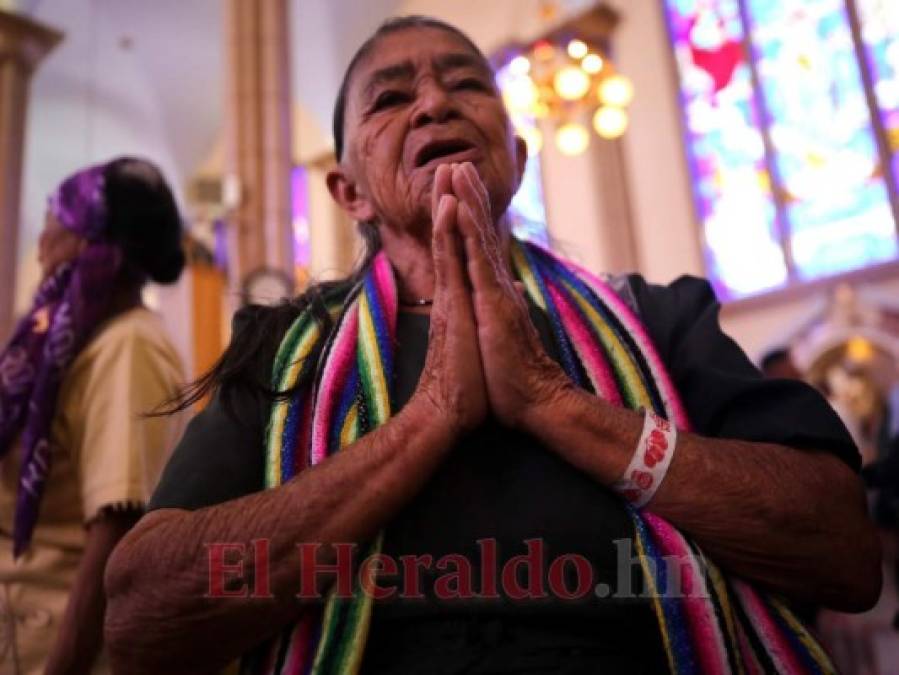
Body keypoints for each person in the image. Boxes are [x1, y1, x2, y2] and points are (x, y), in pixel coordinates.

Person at [104, 16, 881, 675]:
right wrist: (429, 418)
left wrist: (554, 403)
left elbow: (843, 549)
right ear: (350, 193)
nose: (435, 102)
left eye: (465, 83)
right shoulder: (283, 349)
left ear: (515, 154)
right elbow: (140, 611)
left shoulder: (656, 316)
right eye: (392, 98)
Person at [0, 157, 187, 674]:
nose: (39, 245)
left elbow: (116, 534)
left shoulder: (129, 346)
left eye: (51, 225)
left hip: (55, 644)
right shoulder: (68, 347)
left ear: (85, 242)